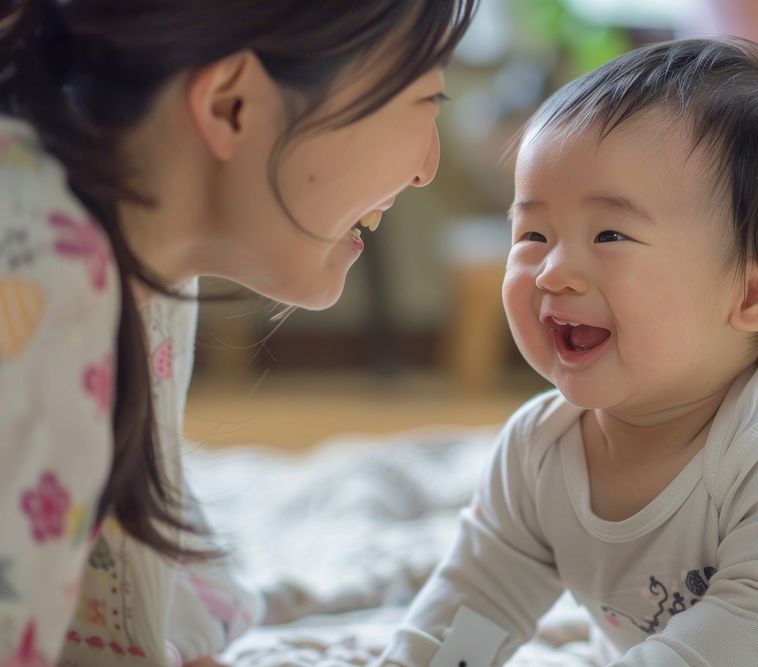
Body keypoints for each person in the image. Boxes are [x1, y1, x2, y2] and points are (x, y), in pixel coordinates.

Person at [377, 38, 758, 667]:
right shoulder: (537, 454)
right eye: (533, 233)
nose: (552, 272)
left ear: (755, 292)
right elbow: (482, 598)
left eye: (610, 234)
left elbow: (747, 625)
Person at [0, 1, 477, 665]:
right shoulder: (42, 260)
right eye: (426, 98)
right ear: (232, 105)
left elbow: (114, 600)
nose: (427, 165)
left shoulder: (134, 256)